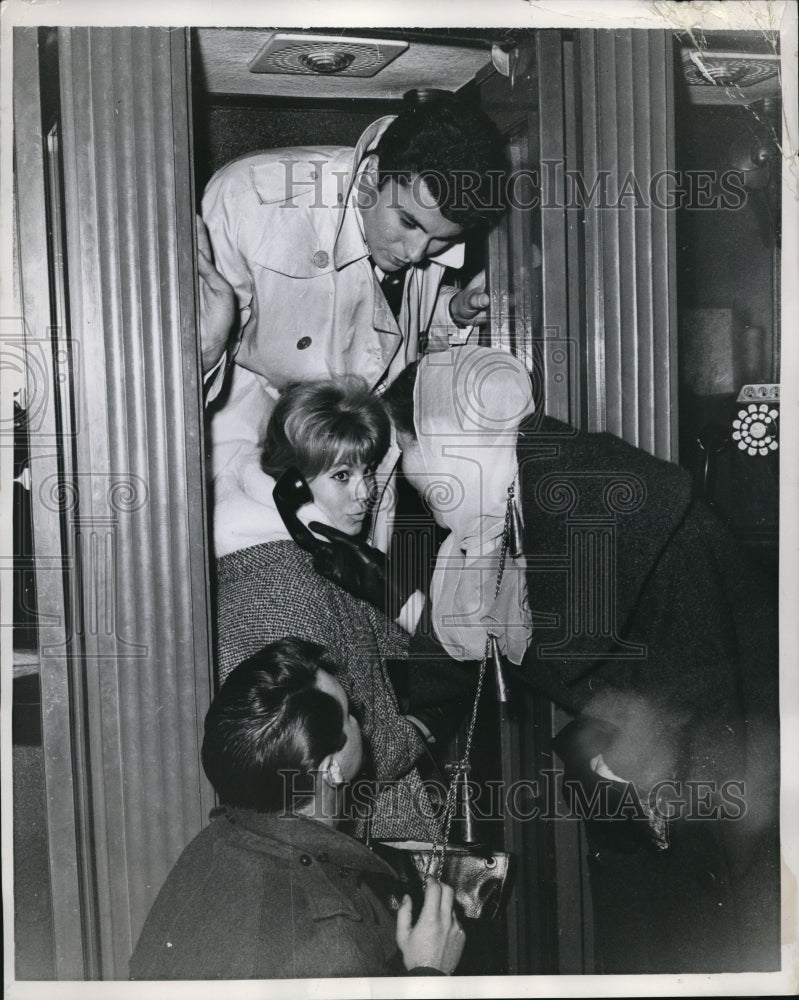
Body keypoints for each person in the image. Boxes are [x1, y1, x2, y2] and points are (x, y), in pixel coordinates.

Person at [314, 345, 779, 974]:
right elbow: (487, 636)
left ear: (454, 437)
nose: (414, 481)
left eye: (411, 452)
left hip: (718, 788)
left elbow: (561, 653)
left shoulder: (593, 490)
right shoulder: (527, 478)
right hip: (664, 777)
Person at [200, 94, 506, 556]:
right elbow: (188, 358)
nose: (416, 253)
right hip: (246, 441)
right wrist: (206, 347)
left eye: (441, 241)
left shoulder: (420, 224)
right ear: (368, 179)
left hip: (355, 452)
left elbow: (381, 332)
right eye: (406, 223)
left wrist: (450, 311)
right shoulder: (251, 198)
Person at [129, 638, 465, 980]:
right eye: (349, 713)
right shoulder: (334, 947)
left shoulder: (208, 846)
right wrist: (429, 970)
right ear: (332, 769)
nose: (358, 720)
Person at [214, 376, 439, 841]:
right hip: (355, 833)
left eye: (368, 471)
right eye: (342, 476)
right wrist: (421, 727)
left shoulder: (317, 554)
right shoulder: (279, 584)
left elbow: (382, 653)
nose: (365, 493)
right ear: (290, 481)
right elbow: (315, 758)